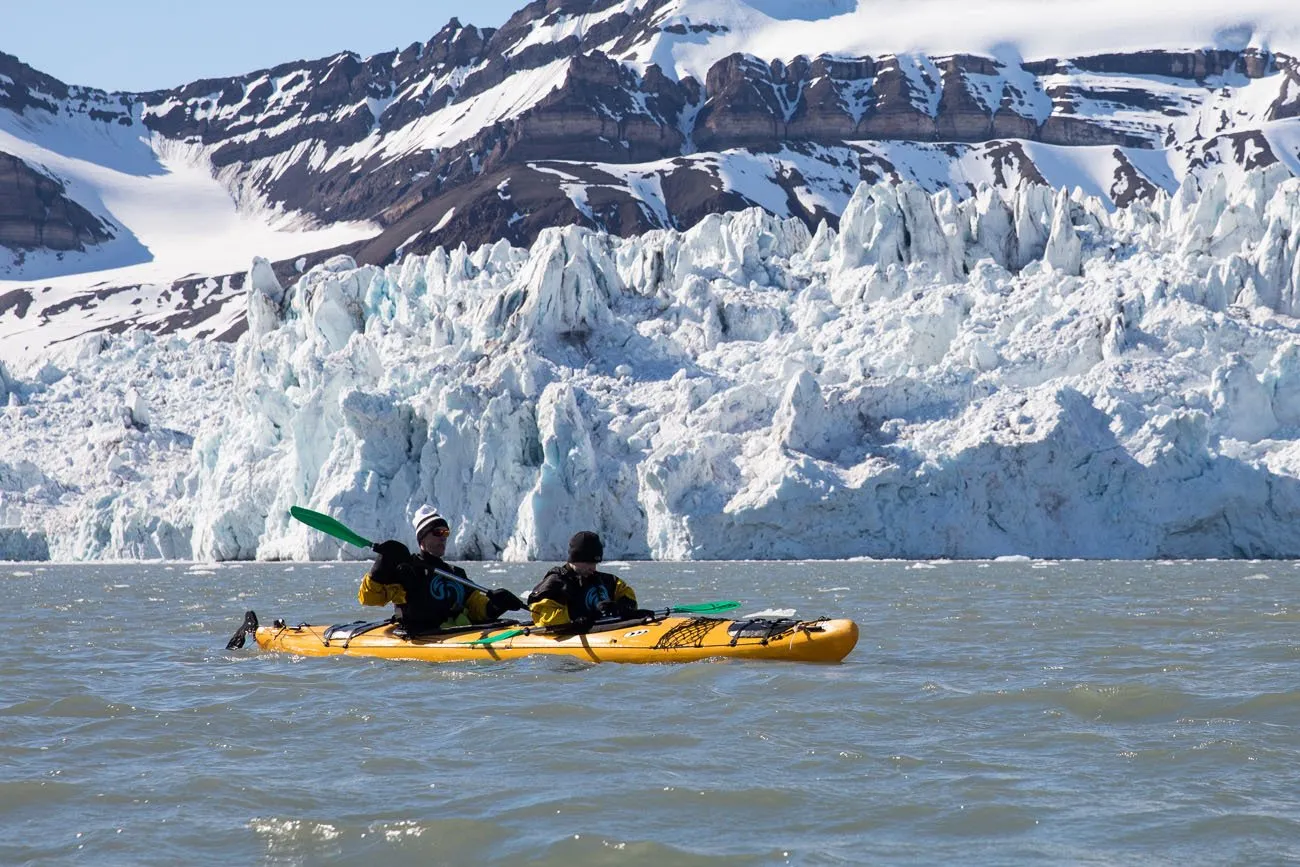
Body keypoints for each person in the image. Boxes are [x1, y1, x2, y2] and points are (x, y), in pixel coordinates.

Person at [359, 505, 524, 633]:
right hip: (422, 636)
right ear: (422, 538)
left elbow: (476, 608)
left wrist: (495, 605)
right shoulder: (407, 571)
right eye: (437, 532)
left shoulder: (456, 573)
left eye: (446, 532)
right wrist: (381, 566)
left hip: (458, 632)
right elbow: (369, 598)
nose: (443, 537)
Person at [528, 531, 642, 629]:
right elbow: (543, 617)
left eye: (595, 563)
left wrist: (618, 608)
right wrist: (581, 614)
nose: (593, 568)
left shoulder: (609, 581)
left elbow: (630, 599)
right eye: (588, 563)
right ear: (575, 559)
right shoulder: (556, 583)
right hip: (573, 634)